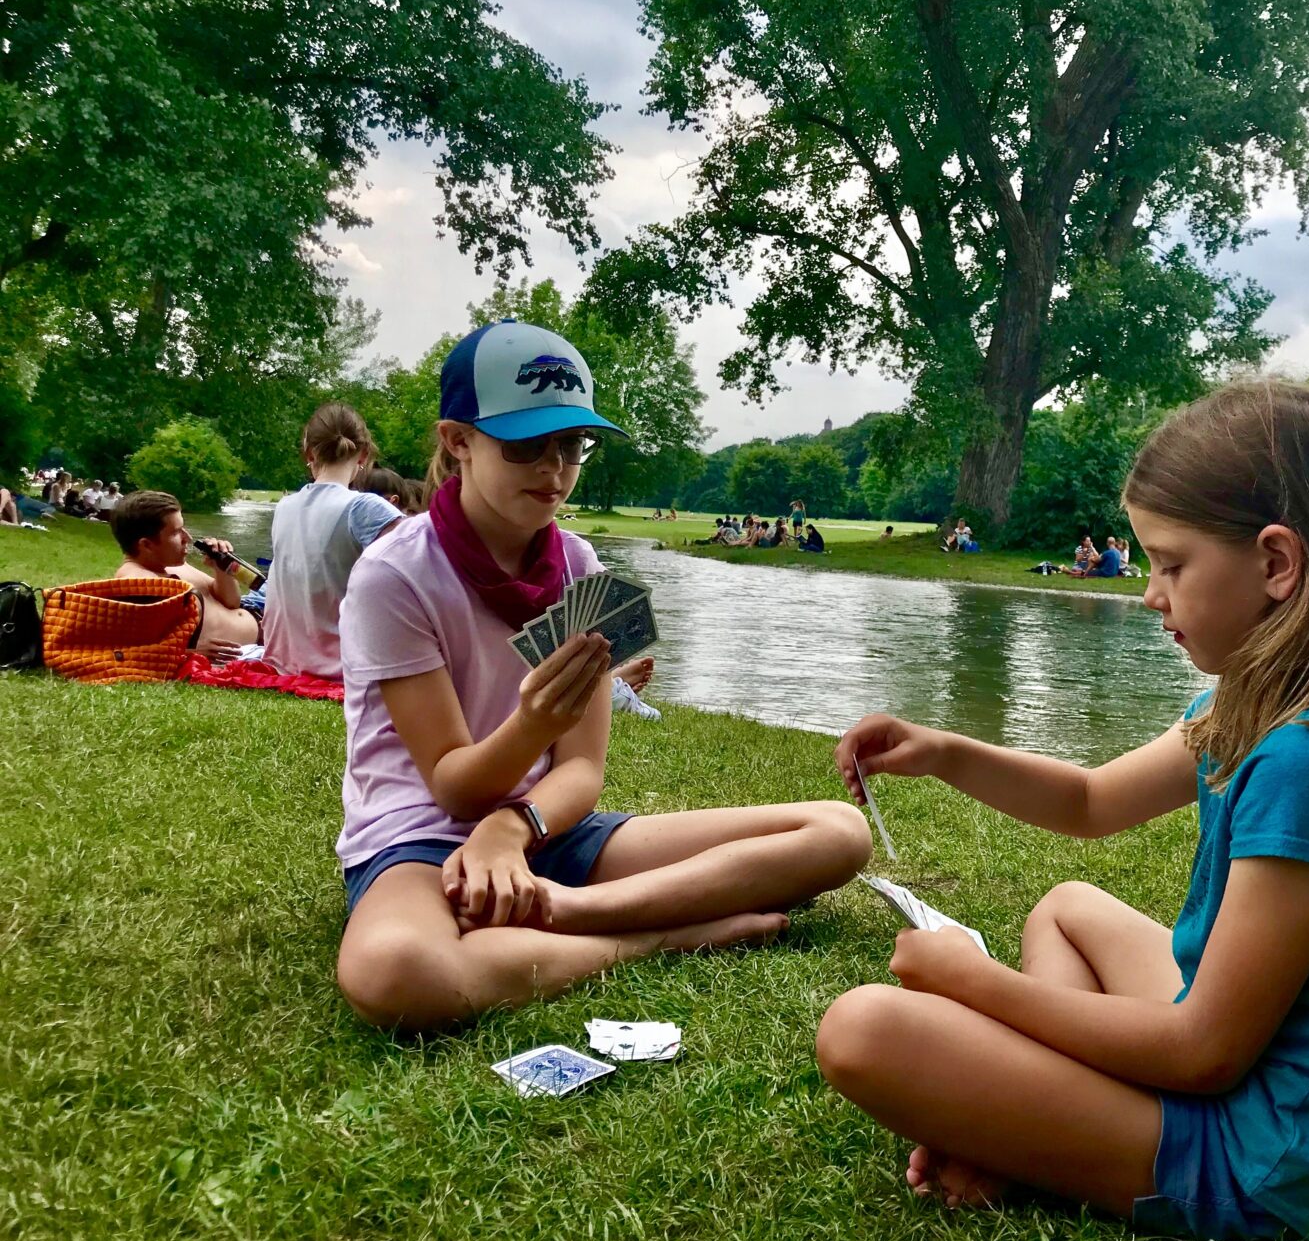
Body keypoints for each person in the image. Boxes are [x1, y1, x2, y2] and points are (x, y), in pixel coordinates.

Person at [816, 380, 1309, 1241]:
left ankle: (1021, 1130)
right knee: (1066, 908)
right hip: (1255, 1092)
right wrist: (943, 751)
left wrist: (974, 981)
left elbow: (1205, 1053)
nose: (1150, 593)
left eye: (1171, 563)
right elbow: (1090, 801)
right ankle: (1023, 1122)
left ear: (1277, 563)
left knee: (863, 1030)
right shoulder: (1263, 703)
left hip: (1272, 1162)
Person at [332, 318, 868, 1030]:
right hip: (420, 840)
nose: (553, 471)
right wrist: (531, 728)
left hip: (547, 830)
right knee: (395, 972)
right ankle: (656, 936)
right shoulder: (394, 576)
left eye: (571, 445)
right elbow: (453, 786)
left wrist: (515, 828)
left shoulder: (581, 570)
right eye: (525, 446)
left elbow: (582, 772)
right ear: (458, 441)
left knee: (836, 832)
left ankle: (566, 913)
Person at [262, 403, 404, 679]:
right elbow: (426, 571)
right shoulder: (365, 508)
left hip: (285, 661)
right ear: (363, 455)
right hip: (342, 666)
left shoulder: (284, 506)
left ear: (309, 453)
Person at [111, 490, 262, 658]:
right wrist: (186, 652)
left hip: (257, 606)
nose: (188, 538)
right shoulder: (137, 584)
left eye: (183, 528)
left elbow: (232, 602)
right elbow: (124, 650)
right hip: (260, 635)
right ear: (146, 545)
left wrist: (221, 569)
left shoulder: (170, 566)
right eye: (176, 532)